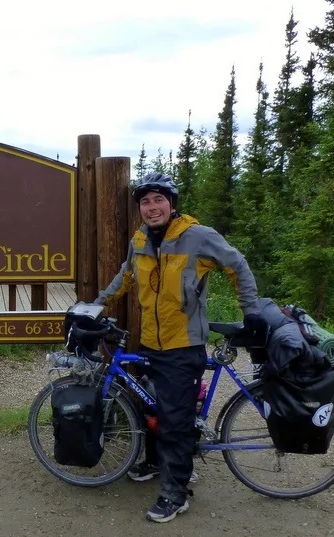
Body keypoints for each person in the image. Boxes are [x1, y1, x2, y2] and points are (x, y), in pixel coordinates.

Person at [93, 171, 261, 523]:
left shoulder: (196, 236)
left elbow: (238, 266)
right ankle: (157, 463)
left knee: (175, 421)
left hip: (184, 344)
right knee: (151, 404)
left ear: (172, 204)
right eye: (145, 202)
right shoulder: (140, 239)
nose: (152, 207)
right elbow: (125, 275)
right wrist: (97, 305)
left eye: (159, 200)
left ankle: (176, 493)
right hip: (152, 341)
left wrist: (251, 311)